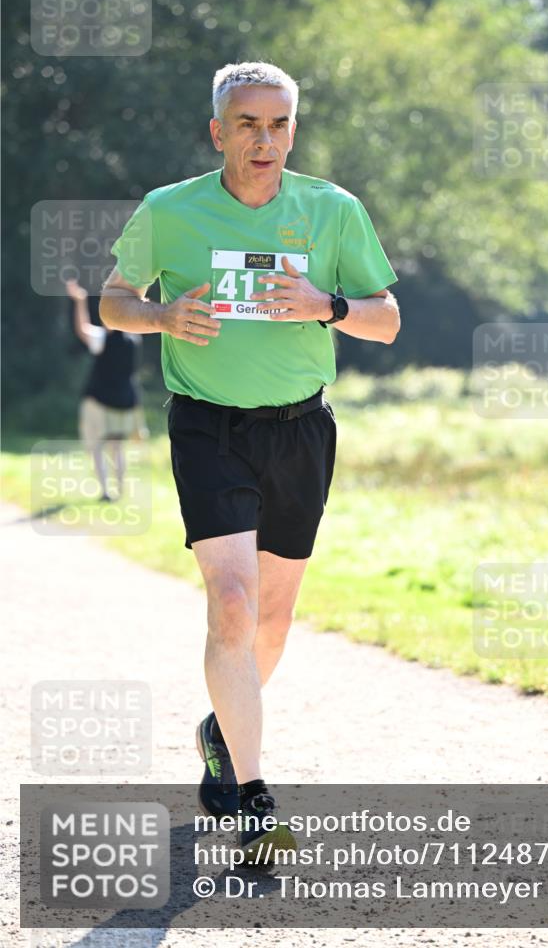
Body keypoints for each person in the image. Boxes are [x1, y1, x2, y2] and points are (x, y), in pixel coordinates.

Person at [100, 61, 400, 862]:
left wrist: (325, 306)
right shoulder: (170, 210)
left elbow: (387, 320)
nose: (262, 139)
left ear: (292, 131)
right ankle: (255, 797)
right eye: (246, 124)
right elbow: (113, 300)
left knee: (270, 618)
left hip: (301, 431)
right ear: (218, 131)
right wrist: (160, 314)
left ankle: (219, 729)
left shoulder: (332, 211)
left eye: (277, 124)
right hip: (207, 427)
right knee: (230, 604)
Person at [66, 279, 147, 501]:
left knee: (96, 448)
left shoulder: (103, 338)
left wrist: (80, 302)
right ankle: (119, 492)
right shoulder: (134, 338)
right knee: (117, 449)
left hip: (99, 401)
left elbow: (82, 330)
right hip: (125, 401)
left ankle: (105, 492)